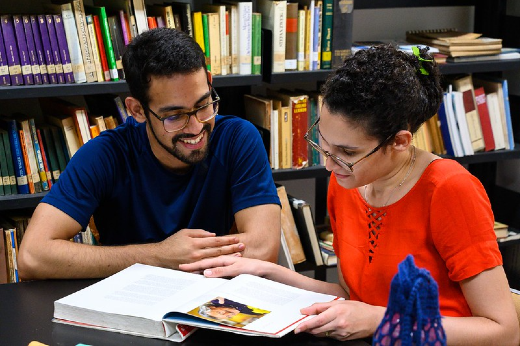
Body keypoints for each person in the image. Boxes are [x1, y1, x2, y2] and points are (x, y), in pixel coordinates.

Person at [180, 45, 520, 345]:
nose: (329, 165)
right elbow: (353, 297)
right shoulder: (347, 183)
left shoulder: (449, 189)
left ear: (400, 142)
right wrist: (268, 273)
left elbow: (502, 332)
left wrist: (380, 321)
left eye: (345, 152)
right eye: (322, 143)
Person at [18, 28, 281, 280]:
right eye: (175, 116)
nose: (196, 127)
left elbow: (263, 248)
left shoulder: (237, 138)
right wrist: (158, 256)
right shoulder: (104, 154)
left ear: (209, 80)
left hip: (211, 302)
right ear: (137, 110)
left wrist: (183, 258)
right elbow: (32, 256)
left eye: (203, 105)